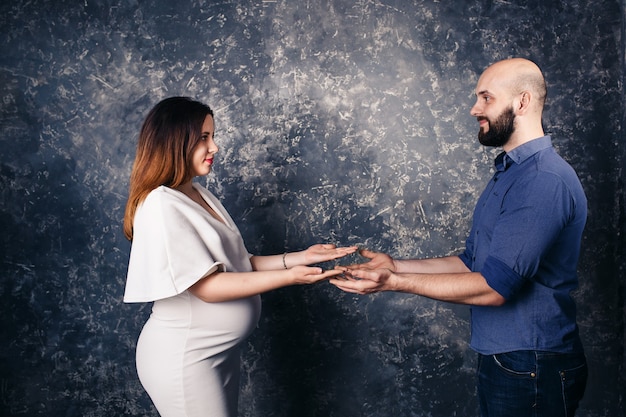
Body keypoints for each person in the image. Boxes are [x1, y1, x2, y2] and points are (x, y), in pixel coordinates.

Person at [330, 58, 588, 417]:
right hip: (507, 359)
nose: (474, 109)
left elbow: (494, 288)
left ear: (523, 102)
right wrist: (395, 265)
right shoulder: (512, 172)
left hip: (532, 364)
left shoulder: (543, 180)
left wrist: (395, 282)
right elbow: (472, 262)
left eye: (486, 98)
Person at [122, 96, 357, 417]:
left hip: (217, 352)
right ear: (176, 141)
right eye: (204, 137)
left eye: (212, 136)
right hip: (186, 356)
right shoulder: (162, 204)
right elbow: (206, 287)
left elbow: (241, 263)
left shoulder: (195, 193)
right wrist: (290, 277)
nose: (215, 147)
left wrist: (300, 257)